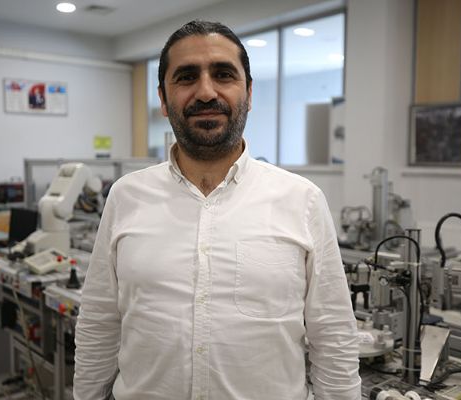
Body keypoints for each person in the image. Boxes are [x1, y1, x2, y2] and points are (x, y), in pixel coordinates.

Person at [74, 20, 361, 400]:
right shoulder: (126, 197)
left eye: (224, 74)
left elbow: (334, 336)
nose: (206, 92)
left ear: (249, 92)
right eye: (186, 77)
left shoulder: (302, 200)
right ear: (163, 98)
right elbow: (99, 323)